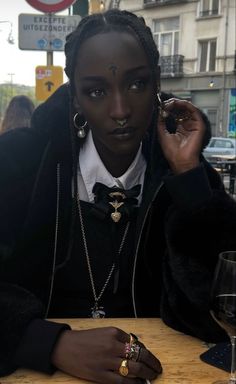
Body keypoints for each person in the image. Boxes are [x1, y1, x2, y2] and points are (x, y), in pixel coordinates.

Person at [0, 8, 236, 384]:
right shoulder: (21, 164)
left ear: (157, 83)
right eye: (96, 91)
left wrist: (189, 180)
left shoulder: (184, 170)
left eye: (137, 84)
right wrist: (49, 343)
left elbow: (221, 304)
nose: (121, 111)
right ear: (74, 94)